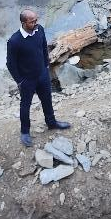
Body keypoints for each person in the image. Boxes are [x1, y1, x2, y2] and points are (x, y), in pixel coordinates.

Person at [6, 9, 71, 147]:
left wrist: (46, 66)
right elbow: (10, 64)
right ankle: (25, 132)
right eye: (32, 21)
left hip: (42, 75)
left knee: (47, 100)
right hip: (27, 80)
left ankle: (51, 123)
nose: (36, 23)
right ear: (24, 23)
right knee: (25, 105)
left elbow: (44, 48)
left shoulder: (39, 30)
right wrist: (19, 81)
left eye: (36, 20)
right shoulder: (14, 41)